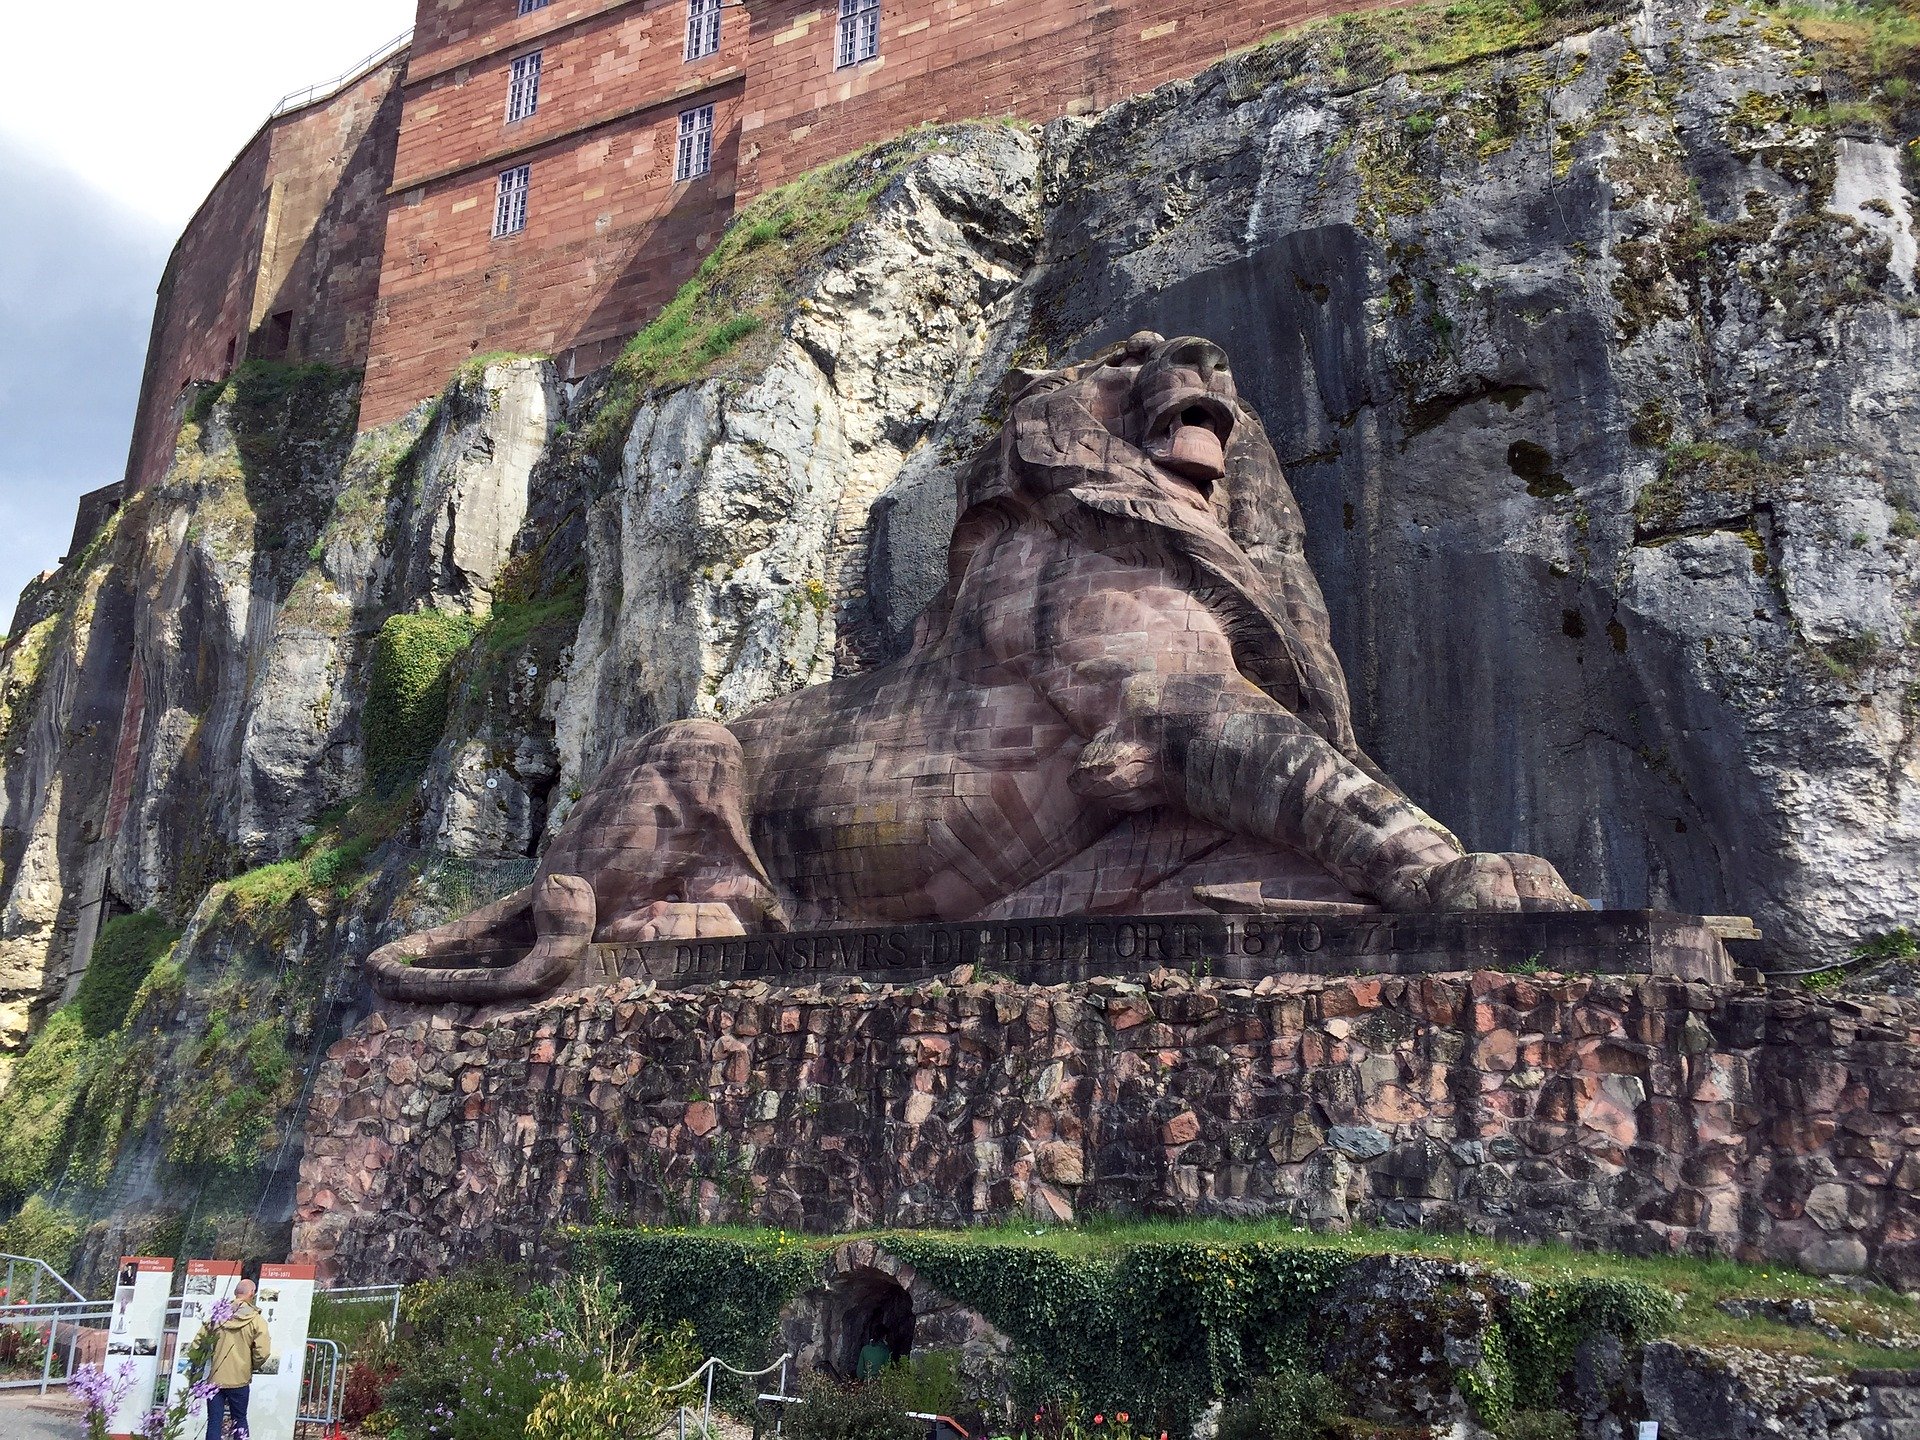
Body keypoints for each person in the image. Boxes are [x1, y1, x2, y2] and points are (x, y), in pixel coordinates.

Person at [205, 1279, 272, 1439]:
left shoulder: (217, 1316)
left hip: (215, 1377)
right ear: (251, 1293)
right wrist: (251, 1365)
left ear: (236, 1293)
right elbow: (263, 1352)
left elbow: (198, 1343)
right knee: (239, 1420)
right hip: (240, 1379)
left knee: (214, 1422)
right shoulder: (257, 1320)